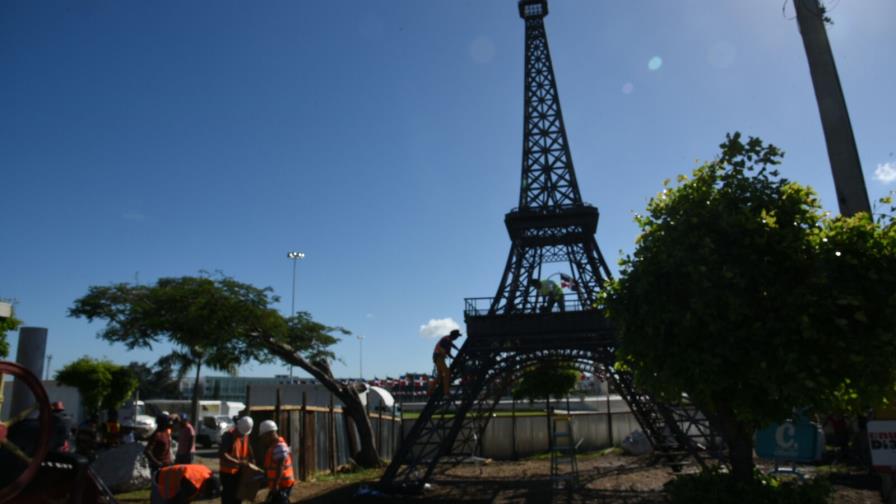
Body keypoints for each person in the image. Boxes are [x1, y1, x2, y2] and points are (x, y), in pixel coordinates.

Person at [219, 416, 254, 504]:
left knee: (238, 497)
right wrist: (238, 462)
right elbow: (222, 454)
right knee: (228, 498)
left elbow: (248, 448)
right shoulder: (228, 436)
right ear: (237, 427)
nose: (242, 434)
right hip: (227, 473)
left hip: (239, 472)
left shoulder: (245, 435)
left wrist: (252, 459)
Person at [258, 420, 294, 504]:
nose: (263, 440)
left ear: (269, 434)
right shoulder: (274, 446)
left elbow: (280, 467)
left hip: (282, 485)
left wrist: (275, 485)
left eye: (264, 437)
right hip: (279, 484)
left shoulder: (279, 447)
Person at [151, 464, 221, 504]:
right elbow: (176, 500)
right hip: (160, 480)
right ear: (205, 485)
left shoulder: (207, 472)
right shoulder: (191, 485)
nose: (203, 494)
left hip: (167, 472)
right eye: (205, 492)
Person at [428, 329, 463, 396]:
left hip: (438, 358)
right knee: (447, 373)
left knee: (439, 377)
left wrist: (456, 351)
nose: (457, 338)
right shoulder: (446, 340)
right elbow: (448, 351)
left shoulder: (447, 339)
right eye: (457, 337)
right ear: (454, 336)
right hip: (439, 357)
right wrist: (455, 354)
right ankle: (446, 392)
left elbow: (451, 347)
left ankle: (430, 391)